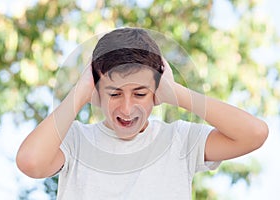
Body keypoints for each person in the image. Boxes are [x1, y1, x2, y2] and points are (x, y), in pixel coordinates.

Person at [16, 28, 269, 199]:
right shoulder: (74, 140)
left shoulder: (179, 139)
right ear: (96, 91)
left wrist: (177, 93)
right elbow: (30, 162)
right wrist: (80, 90)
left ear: (157, 92)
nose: (127, 109)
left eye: (140, 94)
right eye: (114, 94)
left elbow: (254, 134)